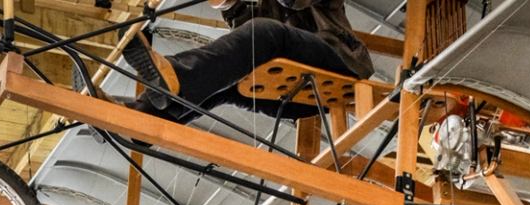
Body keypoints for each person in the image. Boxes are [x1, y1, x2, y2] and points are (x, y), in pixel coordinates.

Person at [120, 0, 374, 121]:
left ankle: (176, 76)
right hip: (285, 91)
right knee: (221, 82)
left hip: (338, 66)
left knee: (264, 32)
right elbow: (241, 40)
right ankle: (141, 117)